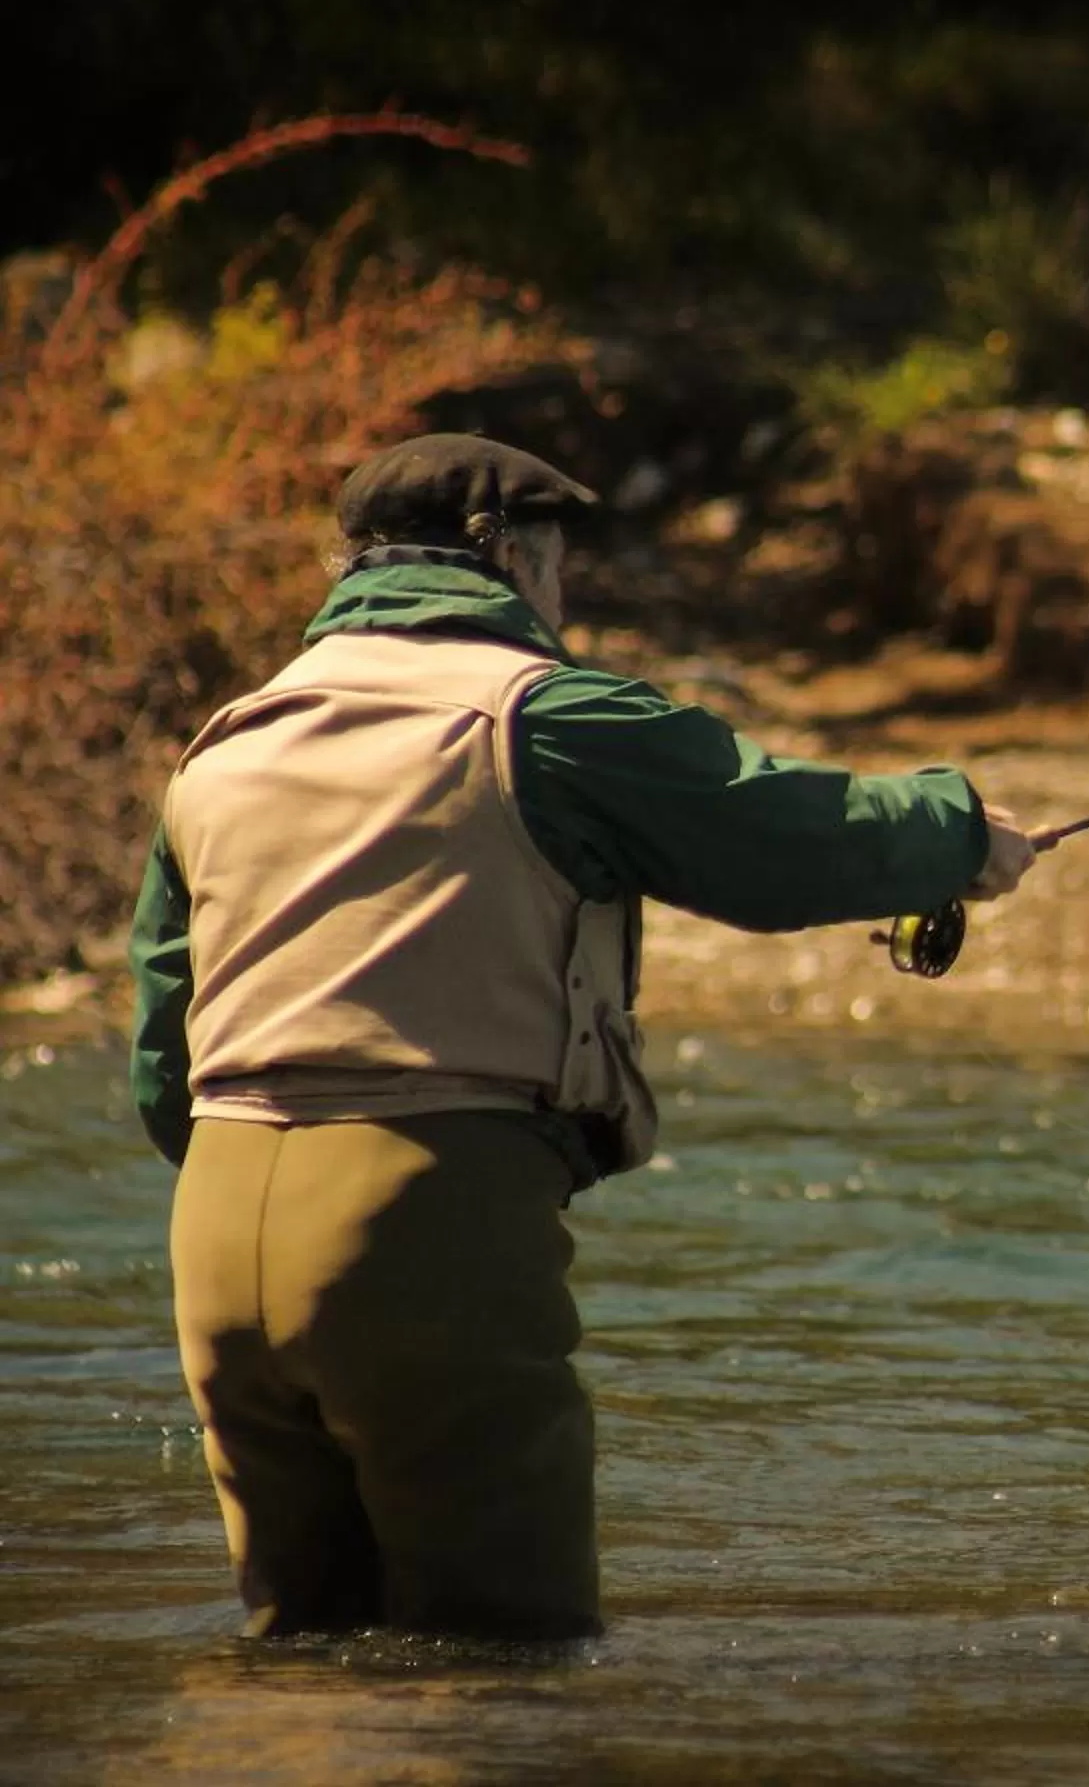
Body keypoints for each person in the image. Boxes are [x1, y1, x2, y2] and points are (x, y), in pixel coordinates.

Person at [126, 433, 1039, 1641]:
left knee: (302, 1653)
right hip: (422, 1211)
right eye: (556, 568)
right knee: (505, 1657)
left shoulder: (230, 740)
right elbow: (773, 830)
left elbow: (163, 1047)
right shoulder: (543, 716)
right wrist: (959, 830)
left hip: (215, 1232)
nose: (560, 599)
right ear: (509, 556)